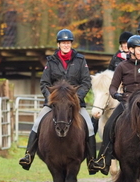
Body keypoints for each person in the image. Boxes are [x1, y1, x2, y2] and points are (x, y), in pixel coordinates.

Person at [19, 29, 97, 172]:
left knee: (90, 126)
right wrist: (51, 99)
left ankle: (92, 161)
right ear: (59, 44)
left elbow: (86, 82)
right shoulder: (51, 61)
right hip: (54, 103)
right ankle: (28, 156)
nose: (66, 45)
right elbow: (44, 83)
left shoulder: (80, 60)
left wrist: (76, 98)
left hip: (75, 103)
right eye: (63, 43)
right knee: (37, 123)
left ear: (71, 44)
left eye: (68, 42)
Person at [92, 35, 140, 174]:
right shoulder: (122, 66)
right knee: (109, 125)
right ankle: (104, 157)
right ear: (131, 50)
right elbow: (112, 87)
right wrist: (116, 95)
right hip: (127, 102)